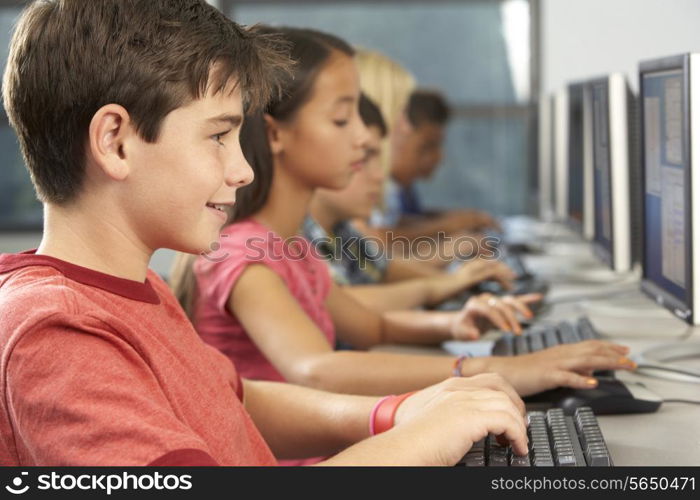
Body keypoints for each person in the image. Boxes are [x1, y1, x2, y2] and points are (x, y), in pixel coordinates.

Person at [0, 0, 532, 466]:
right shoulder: (59, 334)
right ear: (116, 142)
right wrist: (425, 438)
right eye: (219, 135)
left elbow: (235, 402)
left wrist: (397, 412)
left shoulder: (136, 290)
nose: (244, 170)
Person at [173, 26, 635, 406]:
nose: (362, 139)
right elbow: (316, 369)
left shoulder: (289, 245)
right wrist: (495, 370)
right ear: (276, 135)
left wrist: (454, 325)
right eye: (341, 120)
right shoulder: (245, 253)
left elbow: (372, 326)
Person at [306, 93, 532, 314]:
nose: (380, 175)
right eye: (365, 158)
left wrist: (455, 281)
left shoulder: (342, 231)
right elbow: (347, 304)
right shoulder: (294, 240)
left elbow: (383, 268)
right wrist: (443, 275)